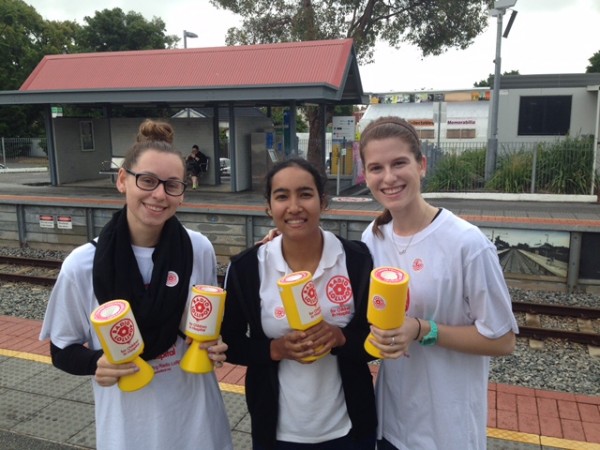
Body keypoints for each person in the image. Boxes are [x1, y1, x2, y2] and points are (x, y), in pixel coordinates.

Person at [40, 119, 233, 450]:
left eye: (172, 185)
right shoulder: (82, 265)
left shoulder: (198, 248)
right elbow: (61, 350)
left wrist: (215, 343)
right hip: (128, 432)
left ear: (182, 194)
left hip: (199, 426)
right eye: (147, 180)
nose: (159, 194)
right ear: (122, 180)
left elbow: (204, 323)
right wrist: (94, 363)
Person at [358, 116, 519, 450]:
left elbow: (503, 340)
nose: (388, 177)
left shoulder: (466, 244)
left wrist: (422, 329)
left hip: (448, 431)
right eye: (376, 168)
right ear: (366, 175)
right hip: (391, 424)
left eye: (399, 163)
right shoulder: (373, 238)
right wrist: (280, 242)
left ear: (421, 165)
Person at [221, 158, 377, 450]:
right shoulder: (247, 268)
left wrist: (341, 338)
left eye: (305, 194)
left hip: (349, 428)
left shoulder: (357, 260)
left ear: (323, 201)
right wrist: (274, 349)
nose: (294, 207)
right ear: (269, 207)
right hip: (277, 433)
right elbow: (229, 342)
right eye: (282, 196)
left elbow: (375, 340)